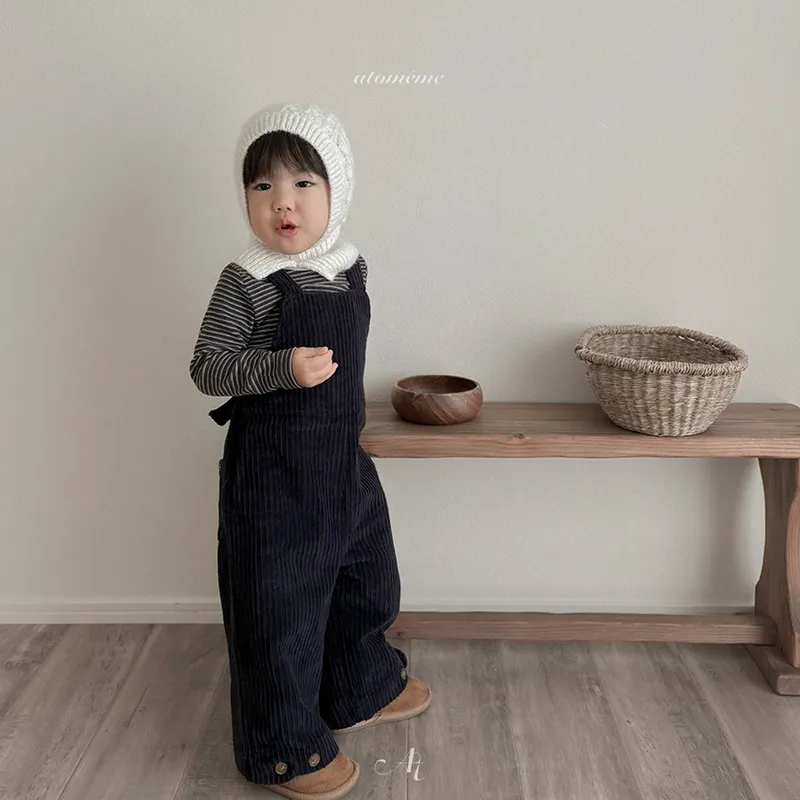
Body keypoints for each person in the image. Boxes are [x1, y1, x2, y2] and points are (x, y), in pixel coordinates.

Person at [190, 102, 432, 799]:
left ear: (337, 190)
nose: (282, 203)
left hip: (343, 463)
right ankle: (284, 749)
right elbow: (207, 367)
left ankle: (360, 686)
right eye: (262, 186)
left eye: (303, 183)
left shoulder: (348, 267)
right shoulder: (248, 279)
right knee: (280, 611)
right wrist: (281, 367)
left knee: (369, 580)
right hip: (274, 478)